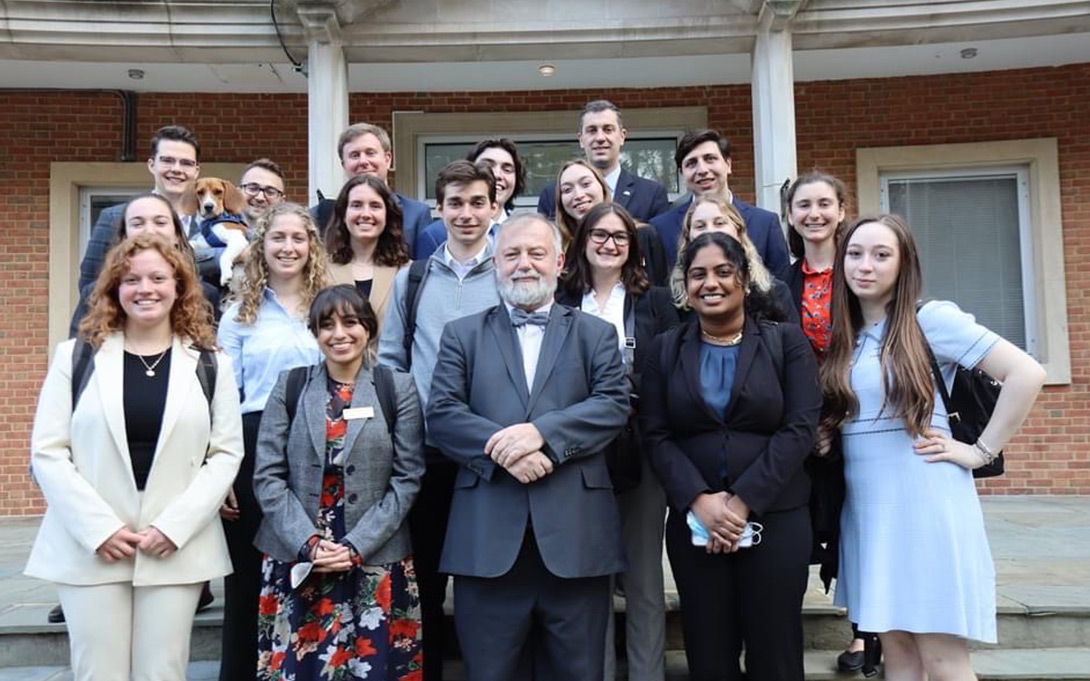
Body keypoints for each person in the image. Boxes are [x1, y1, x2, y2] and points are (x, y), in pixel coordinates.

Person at [821, 214, 1046, 681]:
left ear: (903, 266)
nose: (865, 265)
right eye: (856, 254)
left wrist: (979, 451)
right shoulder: (849, 337)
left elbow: (1027, 373)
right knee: (899, 654)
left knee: (942, 660)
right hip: (869, 512)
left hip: (924, 505)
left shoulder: (930, 319)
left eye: (882, 255)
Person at [26, 234, 244, 681]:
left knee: (161, 673)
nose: (145, 288)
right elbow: (48, 452)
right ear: (113, 289)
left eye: (158, 278)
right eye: (131, 279)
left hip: (173, 547)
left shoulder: (211, 364)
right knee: (97, 673)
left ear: (180, 287)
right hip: (90, 548)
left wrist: (174, 525)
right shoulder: (76, 357)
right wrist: (99, 529)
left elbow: (225, 454)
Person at [427, 213, 630, 681]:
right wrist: (506, 450)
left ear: (559, 262)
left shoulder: (596, 334)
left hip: (576, 541)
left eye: (536, 253)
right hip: (487, 542)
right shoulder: (462, 334)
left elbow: (612, 405)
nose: (524, 264)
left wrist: (542, 435)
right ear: (495, 263)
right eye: (512, 254)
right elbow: (442, 414)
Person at [641, 232, 821, 681]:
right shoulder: (664, 348)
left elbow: (800, 428)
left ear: (744, 279)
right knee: (709, 654)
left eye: (723, 272)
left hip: (775, 520)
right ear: (686, 285)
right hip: (694, 526)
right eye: (698, 274)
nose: (711, 283)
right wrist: (701, 502)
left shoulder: (787, 343)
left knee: (775, 653)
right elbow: (656, 434)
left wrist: (740, 504)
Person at [253, 284, 425, 680]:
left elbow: (407, 478)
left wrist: (354, 547)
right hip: (298, 554)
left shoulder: (396, 387)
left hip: (374, 555)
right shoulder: (291, 385)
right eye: (326, 325)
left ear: (368, 328)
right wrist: (309, 544)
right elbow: (268, 475)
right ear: (315, 333)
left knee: (371, 666)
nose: (339, 334)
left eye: (350, 322)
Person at [377, 159, 501, 681]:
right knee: (421, 582)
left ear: (495, 207)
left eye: (477, 202)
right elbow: (390, 361)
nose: (466, 213)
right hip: (424, 453)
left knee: (487, 585)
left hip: (492, 454)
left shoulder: (511, 267)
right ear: (438, 209)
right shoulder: (414, 276)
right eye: (456, 202)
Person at [556, 202, 678, 681]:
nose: (610, 244)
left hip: (641, 447)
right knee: (592, 578)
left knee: (645, 577)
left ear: (634, 247)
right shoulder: (561, 299)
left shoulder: (657, 302)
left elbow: (671, 370)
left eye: (620, 237)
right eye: (600, 235)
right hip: (578, 452)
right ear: (582, 241)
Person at [216, 202, 330, 681]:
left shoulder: (329, 303)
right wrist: (220, 472)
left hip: (322, 441)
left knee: (312, 565)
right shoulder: (239, 314)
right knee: (248, 573)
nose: (288, 247)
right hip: (253, 441)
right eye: (277, 238)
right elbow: (223, 397)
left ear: (311, 247)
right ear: (261, 246)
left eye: (298, 238)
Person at [780, 171, 876, 674]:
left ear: (842, 211)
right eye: (803, 205)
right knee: (815, 521)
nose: (813, 213)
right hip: (805, 424)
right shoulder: (784, 281)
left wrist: (836, 418)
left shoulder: (860, 271)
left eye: (824, 203)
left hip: (862, 417)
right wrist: (811, 422)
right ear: (791, 216)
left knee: (861, 524)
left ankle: (867, 634)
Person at [78, 125, 223, 290]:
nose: (176, 169)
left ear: (196, 171)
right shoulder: (114, 217)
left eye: (186, 163)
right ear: (151, 165)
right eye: (167, 160)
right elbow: (89, 286)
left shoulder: (213, 225)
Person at [69, 193, 222, 338]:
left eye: (160, 222)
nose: (149, 230)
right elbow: (77, 359)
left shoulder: (206, 295)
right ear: (124, 235)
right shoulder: (95, 294)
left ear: (176, 234)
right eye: (137, 223)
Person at [651, 128, 789, 274]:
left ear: (728, 164)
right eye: (691, 163)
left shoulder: (765, 223)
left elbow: (782, 288)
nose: (702, 170)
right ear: (682, 173)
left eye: (710, 159)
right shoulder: (661, 227)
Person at [537, 99, 670, 223]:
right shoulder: (553, 194)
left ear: (622, 136)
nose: (600, 137)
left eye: (608, 130)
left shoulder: (652, 194)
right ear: (581, 139)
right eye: (592, 130)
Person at [669, 196, 796, 324]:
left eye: (719, 223)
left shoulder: (776, 292)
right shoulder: (671, 299)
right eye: (700, 226)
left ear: (738, 231)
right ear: (688, 237)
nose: (710, 231)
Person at [313, 123, 432, 257]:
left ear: (388, 159)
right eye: (354, 155)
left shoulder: (416, 214)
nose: (363, 161)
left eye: (370, 153)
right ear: (344, 165)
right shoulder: (322, 215)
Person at [554, 158, 668, 286]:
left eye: (586, 184)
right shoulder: (558, 249)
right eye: (567, 190)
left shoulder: (642, 236)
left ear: (603, 188)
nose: (578, 195)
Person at [325, 174, 411, 334]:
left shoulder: (408, 272)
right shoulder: (319, 270)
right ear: (343, 214)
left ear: (387, 215)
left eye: (375, 206)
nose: (366, 213)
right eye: (356, 205)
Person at [414, 138, 527, 256]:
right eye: (488, 165)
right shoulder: (434, 235)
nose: (497, 175)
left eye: (507, 169)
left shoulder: (525, 233)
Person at [239, 158, 287, 230]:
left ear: (282, 201)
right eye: (252, 188)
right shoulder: (217, 233)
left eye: (270, 192)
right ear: (238, 192)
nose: (260, 198)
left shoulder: (290, 238)